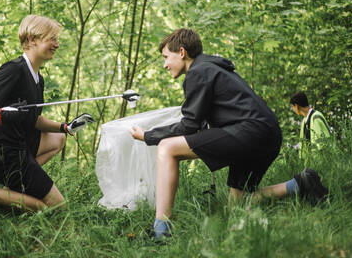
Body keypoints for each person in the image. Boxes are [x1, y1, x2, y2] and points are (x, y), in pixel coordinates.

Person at [130, 29, 328, 240]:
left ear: (181, 52)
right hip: (266, 134)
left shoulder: (198, 72)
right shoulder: (213, 69)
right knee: (237, 206)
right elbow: (202, 123)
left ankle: (161, 231)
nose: (165, 64)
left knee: (166, 148)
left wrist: (148, 136)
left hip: (250, 132)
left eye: (166, 57)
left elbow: (189, 126)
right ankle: (301, 184)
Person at [0, 15, 91, 212]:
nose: (57, 44)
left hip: (20, 145)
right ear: (31, 40)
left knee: (58, 139)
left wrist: (65, 127)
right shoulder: (14, 70)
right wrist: (1, 114)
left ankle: (11, 191)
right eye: (51, 39)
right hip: (1, 152)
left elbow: (35, 119)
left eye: (56, 39)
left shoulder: (38, 78)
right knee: (55, 207)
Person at [290, 91, 331, 160]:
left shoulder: (316, 117)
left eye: (292, 107)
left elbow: (322, 143)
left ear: (296, 106)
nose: (293, 109)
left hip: (323, 162)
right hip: (312, 164)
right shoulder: (305, 120)